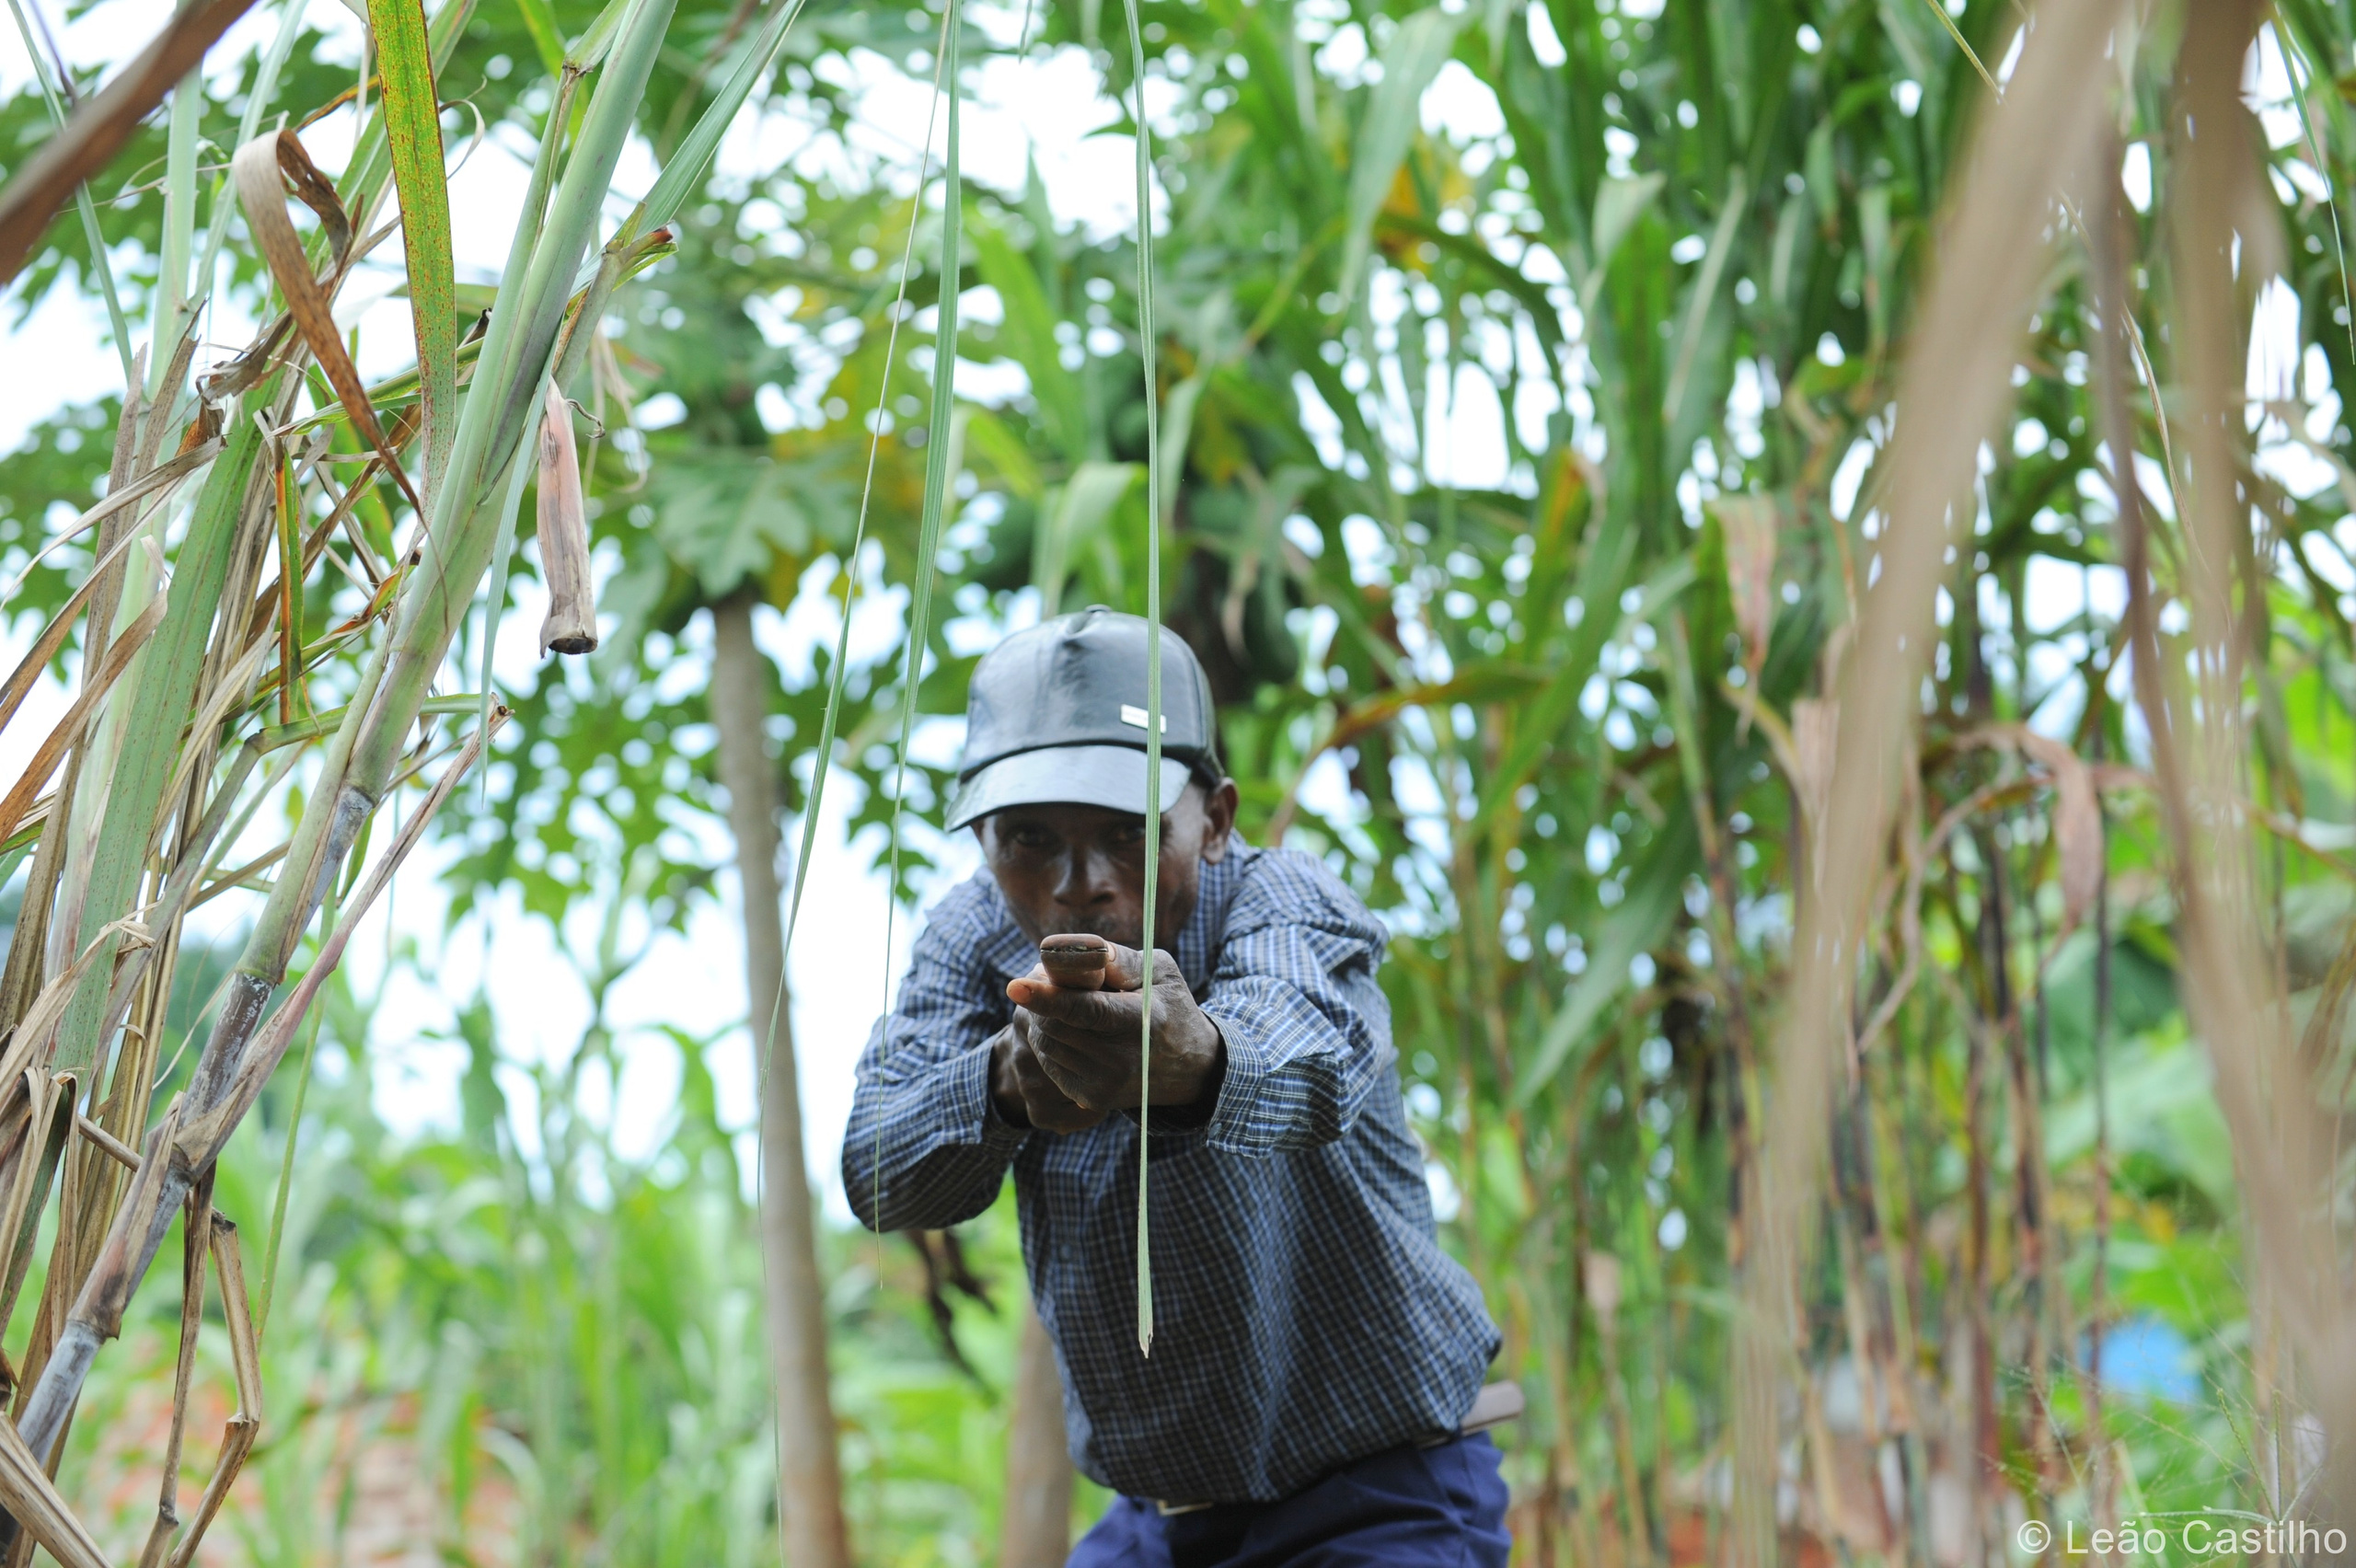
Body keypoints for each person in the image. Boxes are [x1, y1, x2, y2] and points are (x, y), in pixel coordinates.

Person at [844, 607, 1508, 1566]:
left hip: (1380, 1491)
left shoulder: (1283, 902)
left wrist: (1187, 1058)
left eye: (1127, 833)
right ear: (981, 833)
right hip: (1161, 1523)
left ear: (1219, 819)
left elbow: (1305, 1063)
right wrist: (1003, 1083)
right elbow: (877, 1169)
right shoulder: (970, 941)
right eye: (1029, 840)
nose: (1081, 886)